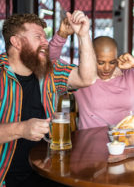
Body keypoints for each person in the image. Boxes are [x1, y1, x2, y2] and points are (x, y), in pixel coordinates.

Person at [0, 10, 97, 186]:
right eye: (38, 37)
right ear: (16, 42)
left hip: (47, 171)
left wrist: (83, 34)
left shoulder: (49, 70)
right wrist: (21, 129)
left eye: (45, 37)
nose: (46, 42)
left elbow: (87, 78)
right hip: (6, 176)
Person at [49, 31, 134, 129]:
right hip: (90, 147)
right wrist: (62, 35)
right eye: (100, 62)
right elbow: (51, 62)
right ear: (91, 58)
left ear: (117, 59)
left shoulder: (130, 76)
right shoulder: (81, 77)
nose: (107, 68)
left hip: (127, 144)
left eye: (112, 62)